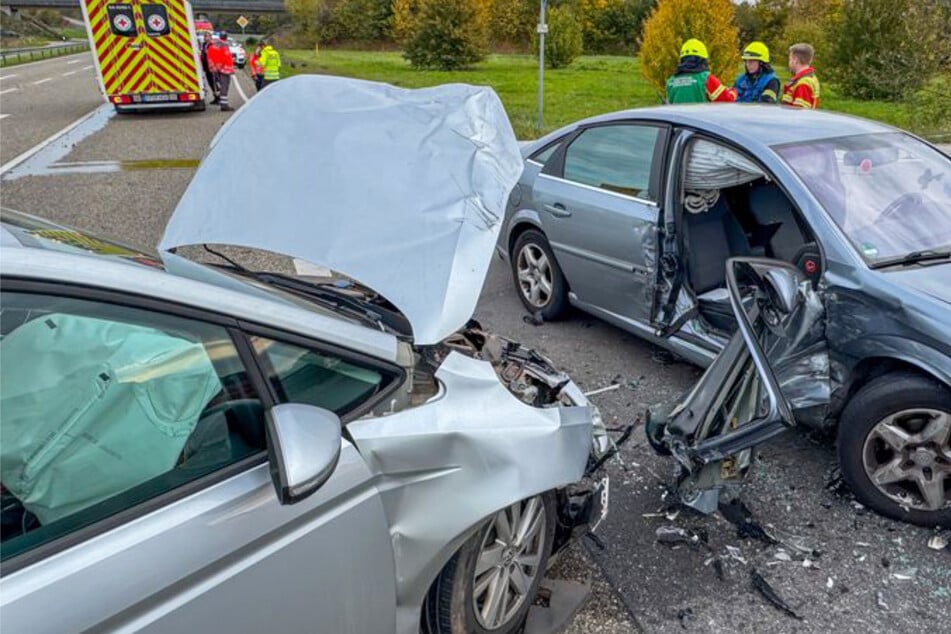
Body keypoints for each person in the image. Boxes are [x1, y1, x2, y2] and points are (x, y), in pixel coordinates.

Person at [666, 39, 736, 104]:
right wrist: (733, 92)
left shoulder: (671, 82)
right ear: (702, 60)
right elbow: (727, 101)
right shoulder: (706, 79)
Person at [782, 43, 821, 109]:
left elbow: (799, 113)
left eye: (790, 59)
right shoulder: (811, 77)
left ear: (796, 60)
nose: (789, 62)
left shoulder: (803, 83)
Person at [207, 31, 235, 112]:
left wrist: (214, 67)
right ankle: (224, 105)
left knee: (223, 86)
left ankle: (223, 103)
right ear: (226, 37)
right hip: (224, 69)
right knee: (224, 87)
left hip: (219, 69)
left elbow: (210, 56)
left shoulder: (214, 45)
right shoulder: (223, 45)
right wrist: (220, 66)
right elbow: (224, 57)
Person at [199, 32, 219, 104]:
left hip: (212, 67)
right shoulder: (204, 44)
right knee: (210, 82)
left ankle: (218, 97)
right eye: (204, 36)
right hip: (206, 67)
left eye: (206, 36)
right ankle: (215, 97)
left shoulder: (212, 45)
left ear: (210, 37)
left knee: (214, 83)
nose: (205, 38)